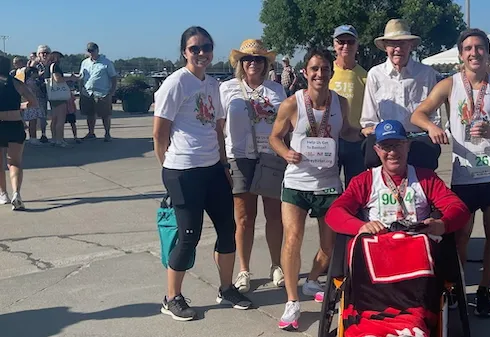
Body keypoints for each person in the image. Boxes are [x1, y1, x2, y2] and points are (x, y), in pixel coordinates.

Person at [410, 28, 490, 317]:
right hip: (464, 174)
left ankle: (484, 290)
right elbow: (417, 114)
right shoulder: (449, 85)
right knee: (460, 236)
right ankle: (459, 287)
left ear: (487, 52)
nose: (474, 53)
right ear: (461, 54)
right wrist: (433, 127)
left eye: (479, 47)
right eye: (468, 48)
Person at [324, 119, 471, 337]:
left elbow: (458, 208)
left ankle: (413, 321)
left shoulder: (425, 177)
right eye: (386, 146)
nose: (392, 152)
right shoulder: (365, 180)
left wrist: (442, 224)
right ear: (377, 150)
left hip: (414, 249)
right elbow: (334, 213)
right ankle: (372, 322)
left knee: (427, 245)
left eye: (397, 145)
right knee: (360, 246)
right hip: (378, 250)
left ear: (408, 146)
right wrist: (361, 226)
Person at [153, 26, 252, 321]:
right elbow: (159, 133)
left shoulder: (213, 85)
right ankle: (172, 297)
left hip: (212, 169)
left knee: (227, 229)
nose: (201, 53)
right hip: (182, 171)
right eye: (194, 48)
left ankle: (226, 287)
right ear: (184, 51)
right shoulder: (175, 84)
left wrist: (223, 164)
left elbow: (217, 130)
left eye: (206, 47)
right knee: (188, 235)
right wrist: (168, 169)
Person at [268, 47, 362, 331]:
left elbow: (344, 131)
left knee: (329, 246)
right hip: (297, 184)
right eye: (314, 69)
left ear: (331, 73)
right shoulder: (292, 104)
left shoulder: (340, 103)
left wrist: (363, 132)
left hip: (328, 184)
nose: (320, 74)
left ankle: (311, 281)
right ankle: (292, 300)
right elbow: (274, 137)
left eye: (324, 69)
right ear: (305, 73)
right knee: (292, 239)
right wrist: (285, 153)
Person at [220, 39, 287, 293]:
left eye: (259, 59)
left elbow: (286, 124)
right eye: (247, 59)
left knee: (274, 215)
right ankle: (244, 270)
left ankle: (276, 265)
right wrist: (222, 160)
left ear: (266, 63)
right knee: (245, 218)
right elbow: (219, 125)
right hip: (239, 156)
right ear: (239, 63)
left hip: (270, 156)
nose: (253, 64)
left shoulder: (276, 90)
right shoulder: (227, 89)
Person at [361, 19, 443, 171]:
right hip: (386, 144)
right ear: (385, 47)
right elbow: (368, 121)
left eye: (403, 43)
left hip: (417, 143)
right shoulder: (375, 74)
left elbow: (435, 118)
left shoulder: (426, 73)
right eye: (392, 44)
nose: (398, 48)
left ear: (410, 45)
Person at [329, 24, 368, 186]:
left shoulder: (365, 76)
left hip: (355, 140)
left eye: (350, 42)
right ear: (334, 45)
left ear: (357, 45)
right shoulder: (324, 71)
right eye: (341, 41)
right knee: (329, 189)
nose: (345, 46)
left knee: (356, 188)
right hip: (330, 140)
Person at [0, 56, 39, 210]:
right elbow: (33, 102)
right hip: (15, 124)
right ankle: (17, 193)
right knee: (14, 162)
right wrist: (20, 105)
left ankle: (3, 194)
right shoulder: (16, 83)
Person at [79, 42, 118, 142]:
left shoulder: (106, 62)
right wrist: (80, 90)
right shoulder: (85, 62)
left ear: (97, 50)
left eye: (93, 50)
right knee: (89, 114)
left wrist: (112, 92)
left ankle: (107, 133)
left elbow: (113, 77)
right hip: (87, 92)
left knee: (105, 114)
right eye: (89, 51)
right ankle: (91, 132)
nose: (91, 53)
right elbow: (81, 77)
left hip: (102, 92)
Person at [43, 51, 69, 148]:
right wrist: (71, 78)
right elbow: (58, 79)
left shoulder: (47, 67)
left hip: (51, 95)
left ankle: (54, 138)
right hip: (59, 96)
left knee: (54, 119)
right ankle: (60, 140)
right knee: (60, 119)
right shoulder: (55, 67)